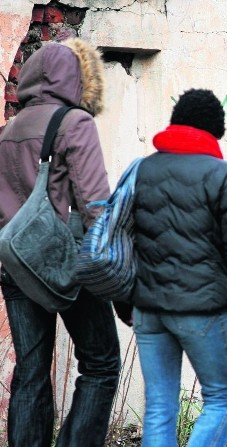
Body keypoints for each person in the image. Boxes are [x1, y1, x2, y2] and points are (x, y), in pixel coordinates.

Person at [130, 88, 227, 447]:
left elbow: (125, 242)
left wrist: (128, 304)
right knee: (221, 398)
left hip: (148, 311)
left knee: (159, 409)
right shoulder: (225, 177)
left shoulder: (142, 170)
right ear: (216, 129)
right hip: (200, 310)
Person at [0, 39, 122, 446]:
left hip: (15, 266)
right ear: (75, 78)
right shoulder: (74, 123)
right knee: (101, 363)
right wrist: (114, 269)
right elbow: (96, 206)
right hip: (66, 262)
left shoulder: (6, 132)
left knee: (31, 373)